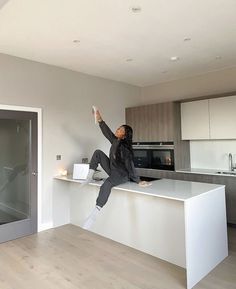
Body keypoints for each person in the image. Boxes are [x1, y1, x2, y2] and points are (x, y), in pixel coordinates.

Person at [82, 108, 149, 229]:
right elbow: (106, 131)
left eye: (120, 130)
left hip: (121, 174)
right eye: (118, 128)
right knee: (98, 152)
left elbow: (130, 165)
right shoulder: (115, 141)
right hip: (113, 170)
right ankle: (88, 177)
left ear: (124, 135)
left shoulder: (124, 148)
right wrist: (99, 118)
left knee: (107, 184)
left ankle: (95, 213)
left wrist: (138, 180)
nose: (117, 130)